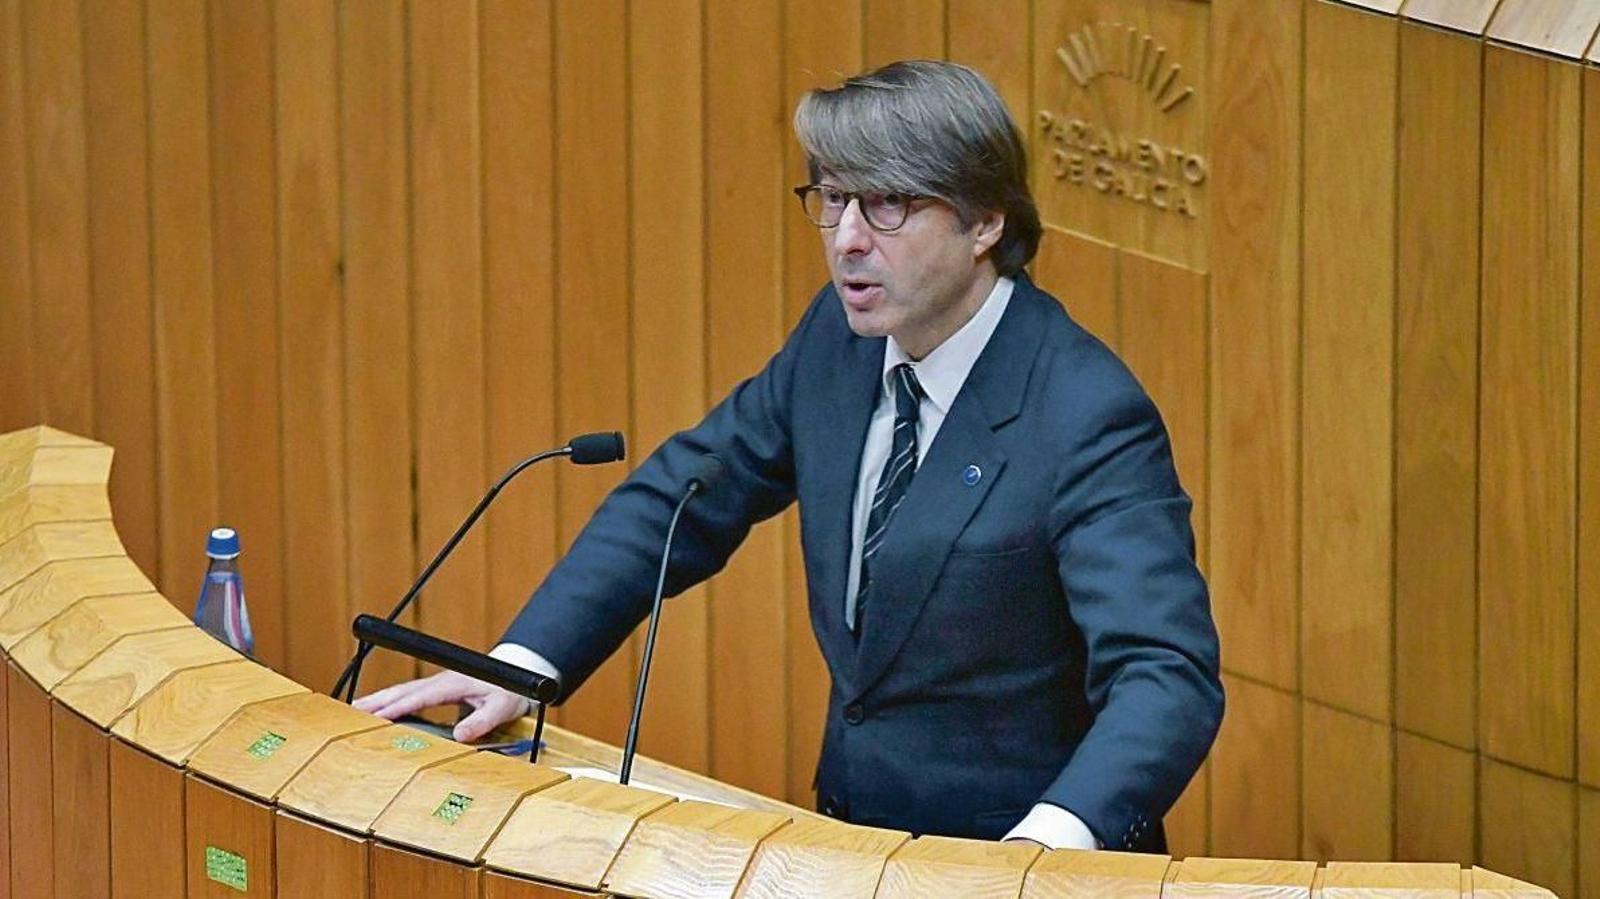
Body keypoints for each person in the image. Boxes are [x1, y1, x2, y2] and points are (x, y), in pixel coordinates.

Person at [356, 59, 1222, 852]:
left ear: (986, 220)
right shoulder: (837, 344)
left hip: (1009, 865)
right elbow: (681, 499)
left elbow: (1165, 673)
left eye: (888, 205)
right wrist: (522, 667)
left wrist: (1046, 848)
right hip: (845, 843)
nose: (846, 238)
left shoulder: (1084, 412)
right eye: (833, 197)